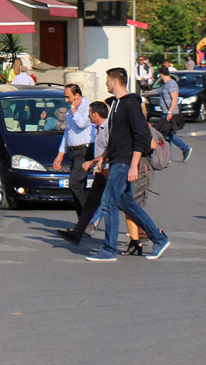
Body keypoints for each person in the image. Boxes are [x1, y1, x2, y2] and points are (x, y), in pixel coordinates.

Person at [85, 68, 170, 261]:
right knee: (127, 203)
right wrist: (102, 158)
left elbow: (141, 136)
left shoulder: (131, 104)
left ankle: (108, 250)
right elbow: (115, 138)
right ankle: (158, 238)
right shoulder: (115, 105)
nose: (106, 83)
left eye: (107, 80)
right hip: (116, 160)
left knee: (108, 202)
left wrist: (134, 165)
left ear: (115, 82)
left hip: (125, 163)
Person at [57, 100, 111, 246]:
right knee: (91, 204)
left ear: (96, 114)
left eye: (90, 113)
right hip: (100, 171)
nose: (88, 116)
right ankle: (77, 233)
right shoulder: (98, 128)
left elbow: (111, 151)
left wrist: (92, 162)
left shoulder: (108, 129)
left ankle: (151, 234)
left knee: (123, 204)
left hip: (109, 171)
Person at [53, 84, 93, 217]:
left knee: (74, 182)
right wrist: (60, 153)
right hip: (73, 151)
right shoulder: (71, 110)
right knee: (78, 187)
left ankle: (88, 215)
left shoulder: (88, 107)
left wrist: (74, 109)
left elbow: (82, 123)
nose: (66, 100)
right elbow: (68, 131)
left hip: (84, 150)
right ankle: (82, 219)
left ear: (77, 96)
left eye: (68, 97)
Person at [156, 67, 192, 161]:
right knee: (166, 134)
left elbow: (175, 99)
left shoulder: (171, 84)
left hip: (170, 113)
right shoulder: (167, 84)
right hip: (165, 112)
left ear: (161, 74)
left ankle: (185, 148)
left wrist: (170, 112)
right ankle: (169, 157)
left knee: (166, 134)